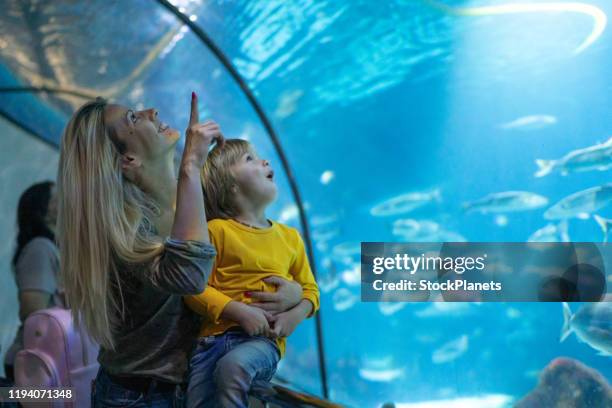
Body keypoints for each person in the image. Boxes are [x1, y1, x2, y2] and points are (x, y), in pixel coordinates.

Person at [57, 93, 221, 407]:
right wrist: (190, 166)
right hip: (141, 396)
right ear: (127, 160)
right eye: (133, 118)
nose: (152, 111)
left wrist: (300, 299)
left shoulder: (185, 202)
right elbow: (189, 276)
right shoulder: (127, 229)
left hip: (184, 387)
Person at [184, 139, 320, 408]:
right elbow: (194, 289)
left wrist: (294, 316)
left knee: (233, 367)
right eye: (250, 159)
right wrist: (239, 311)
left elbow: (311, 291)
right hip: (210, 343)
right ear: (230, 185)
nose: (265, 161)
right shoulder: (216, 231)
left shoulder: (290, 238)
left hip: (261, 342)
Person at [4, 181, 63, 382]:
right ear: (44, 210)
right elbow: (32, 311)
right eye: (58, 196)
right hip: (37, 365)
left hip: (47, 361)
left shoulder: (53, 247)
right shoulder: (40, 248)